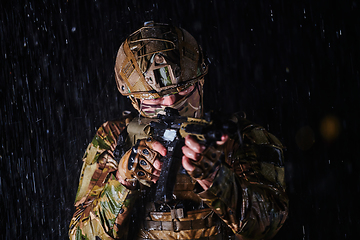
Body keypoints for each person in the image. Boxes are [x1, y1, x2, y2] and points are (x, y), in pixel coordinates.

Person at [69, 22, 288, 240]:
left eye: (183, 88)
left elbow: (268, 226)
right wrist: (123, 181)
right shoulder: (115, 137)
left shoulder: (241, 136)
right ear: (135, 100)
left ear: (200, 81)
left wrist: (217, 180)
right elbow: (81, 235)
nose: (170, 102)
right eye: (154, 97)